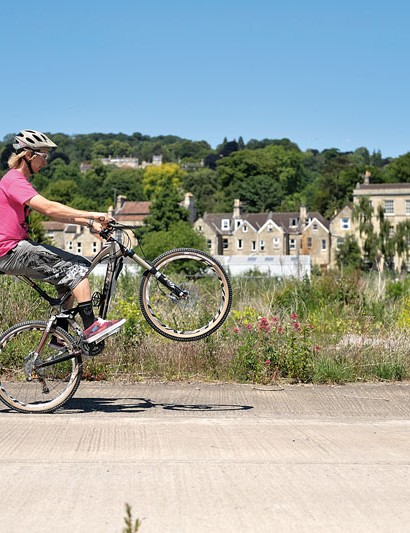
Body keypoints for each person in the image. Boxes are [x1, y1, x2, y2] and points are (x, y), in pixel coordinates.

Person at [0, 129, 125, 352]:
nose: (45, 162)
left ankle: (61, 334)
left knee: (66, 282)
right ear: (29, 155)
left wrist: (88, 223)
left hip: (11, 250)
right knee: (78, 266)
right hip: (10, 250)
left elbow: (56, 212)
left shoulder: (16, 181)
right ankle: (91, 327)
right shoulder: (14, 181)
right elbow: (50, 209)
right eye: (44, 156)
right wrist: (92, 214)